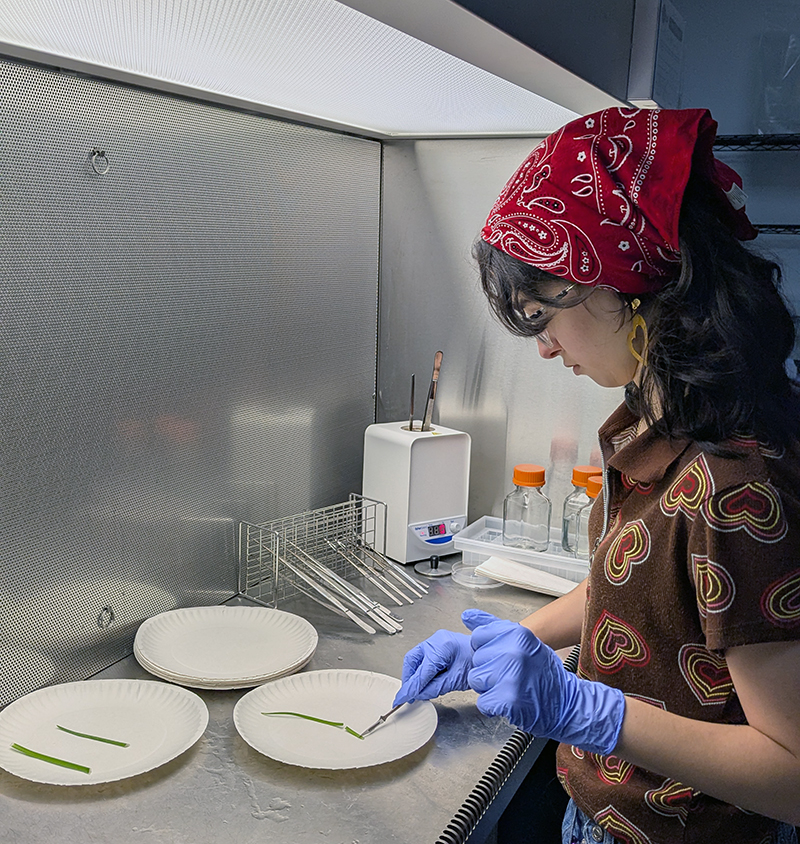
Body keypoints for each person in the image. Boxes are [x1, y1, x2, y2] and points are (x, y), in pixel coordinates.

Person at [392, 107, 800, 844]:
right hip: (601, 811)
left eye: (545, 314)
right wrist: (504, 646)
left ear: (629, 286)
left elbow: (792, 774)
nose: (545, 349)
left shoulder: (733, 483)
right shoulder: (653, 420)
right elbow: (636, 589)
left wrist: (588, 711)